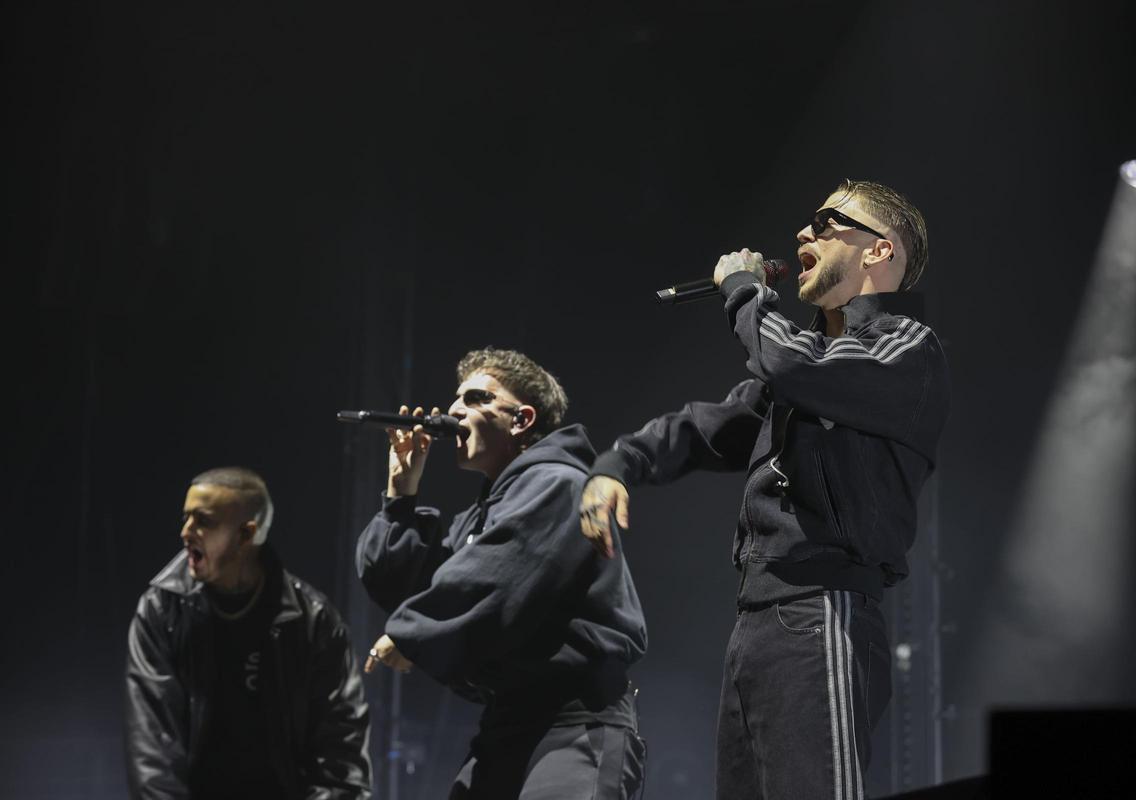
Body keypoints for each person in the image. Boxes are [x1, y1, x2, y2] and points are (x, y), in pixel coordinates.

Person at [580, 179, 950, 800]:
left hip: (823, 607)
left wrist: (745, 291)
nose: (804, 234)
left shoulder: (905, 348)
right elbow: (703, 427)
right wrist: (617, 463)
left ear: (879, 252)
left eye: (826, 222)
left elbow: (795, 366)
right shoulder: (806, 366)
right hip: (757, 625)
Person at [357, 347, 647, 799]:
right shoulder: (482, 516)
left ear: (521, 419)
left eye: (475, 398)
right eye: (455, 399)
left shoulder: (560, 483)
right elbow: (404, 585)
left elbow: (497, 576)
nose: (454, 410)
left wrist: (413, 632)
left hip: (576, 726)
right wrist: (400, 496)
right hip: (507, 724)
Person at [124, 467, 372, 799]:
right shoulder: (161, 611)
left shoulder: (315, 621)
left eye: (204, 521)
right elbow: (152, 749)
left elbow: (341, 753)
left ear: (246, 534)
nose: (186, 531)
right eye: (186, 518)